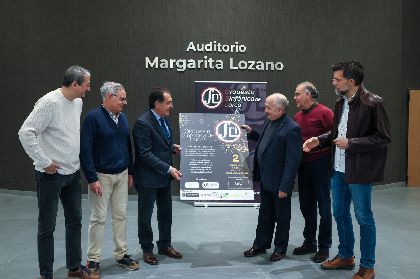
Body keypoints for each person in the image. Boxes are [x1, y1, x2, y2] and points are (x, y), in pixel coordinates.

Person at [303, 61, 391, 279]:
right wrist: (320, 139)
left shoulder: (373, 103)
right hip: (339, 169)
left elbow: (382, 138)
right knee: (340, 215)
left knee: (363, 217)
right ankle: (345, 256)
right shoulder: (340, 102)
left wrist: (352, 143)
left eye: (337, 79)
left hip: (360, 171)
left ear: (351, 81)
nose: (333, 82)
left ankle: (368, 266)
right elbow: (337, 133)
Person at [18, 65, 91, 279]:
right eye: (86, 85)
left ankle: (74, 267)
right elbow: (25, 133)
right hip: (50, 175)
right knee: (47, 227)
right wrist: (44, 161)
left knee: (75, 221)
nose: (88, 89)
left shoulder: (78, 102)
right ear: (75, 84)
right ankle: (46, 273)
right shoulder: (48, 103)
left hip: (72, 173)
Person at [80, 82, 139, 278]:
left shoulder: (121, 118)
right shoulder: (93, 118)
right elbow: (85, 150)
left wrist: (129, 171)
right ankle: (93, 260)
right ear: (109, 97)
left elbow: (127, 146)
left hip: (122, 175)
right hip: (101, 177)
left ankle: (121, 255)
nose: (125, 102)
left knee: (120, 216)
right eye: (121, 98)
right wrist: (91, 178)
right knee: (98, 218)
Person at [242, 93, 301, 262]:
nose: (265, 110)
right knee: (265, 214)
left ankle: (280, 249)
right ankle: (260, 244)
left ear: (280, 109)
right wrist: (252, 133)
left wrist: (285, 186)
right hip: (266, 179)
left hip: (279, 184)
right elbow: (266, 141)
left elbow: (293, 161)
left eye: (268, 107)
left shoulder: (292, 128)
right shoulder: (270, 121)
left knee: (282, 218)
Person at [132, 87, 182, 265]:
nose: (171, 106)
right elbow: (145, 154)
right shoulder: (143, 123)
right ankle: (147, 249)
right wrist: (169, 168)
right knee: (145, 215)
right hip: (147, 178)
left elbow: (160, 143)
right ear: (157, 104)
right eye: (168, 102)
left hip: (163, 177)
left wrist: (172, 147)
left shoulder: (164, 119)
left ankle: (165, 245)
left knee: (165, 212)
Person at [292, 81, 334, 263]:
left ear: (308, 95)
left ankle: (324, 248)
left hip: (321, 164)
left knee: (324, 207)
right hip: (304, 165)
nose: (294, 98)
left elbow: (336, 133)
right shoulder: (297, 116)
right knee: (306, 205)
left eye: (297, 94)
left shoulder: (325, 112)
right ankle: (310, 242)